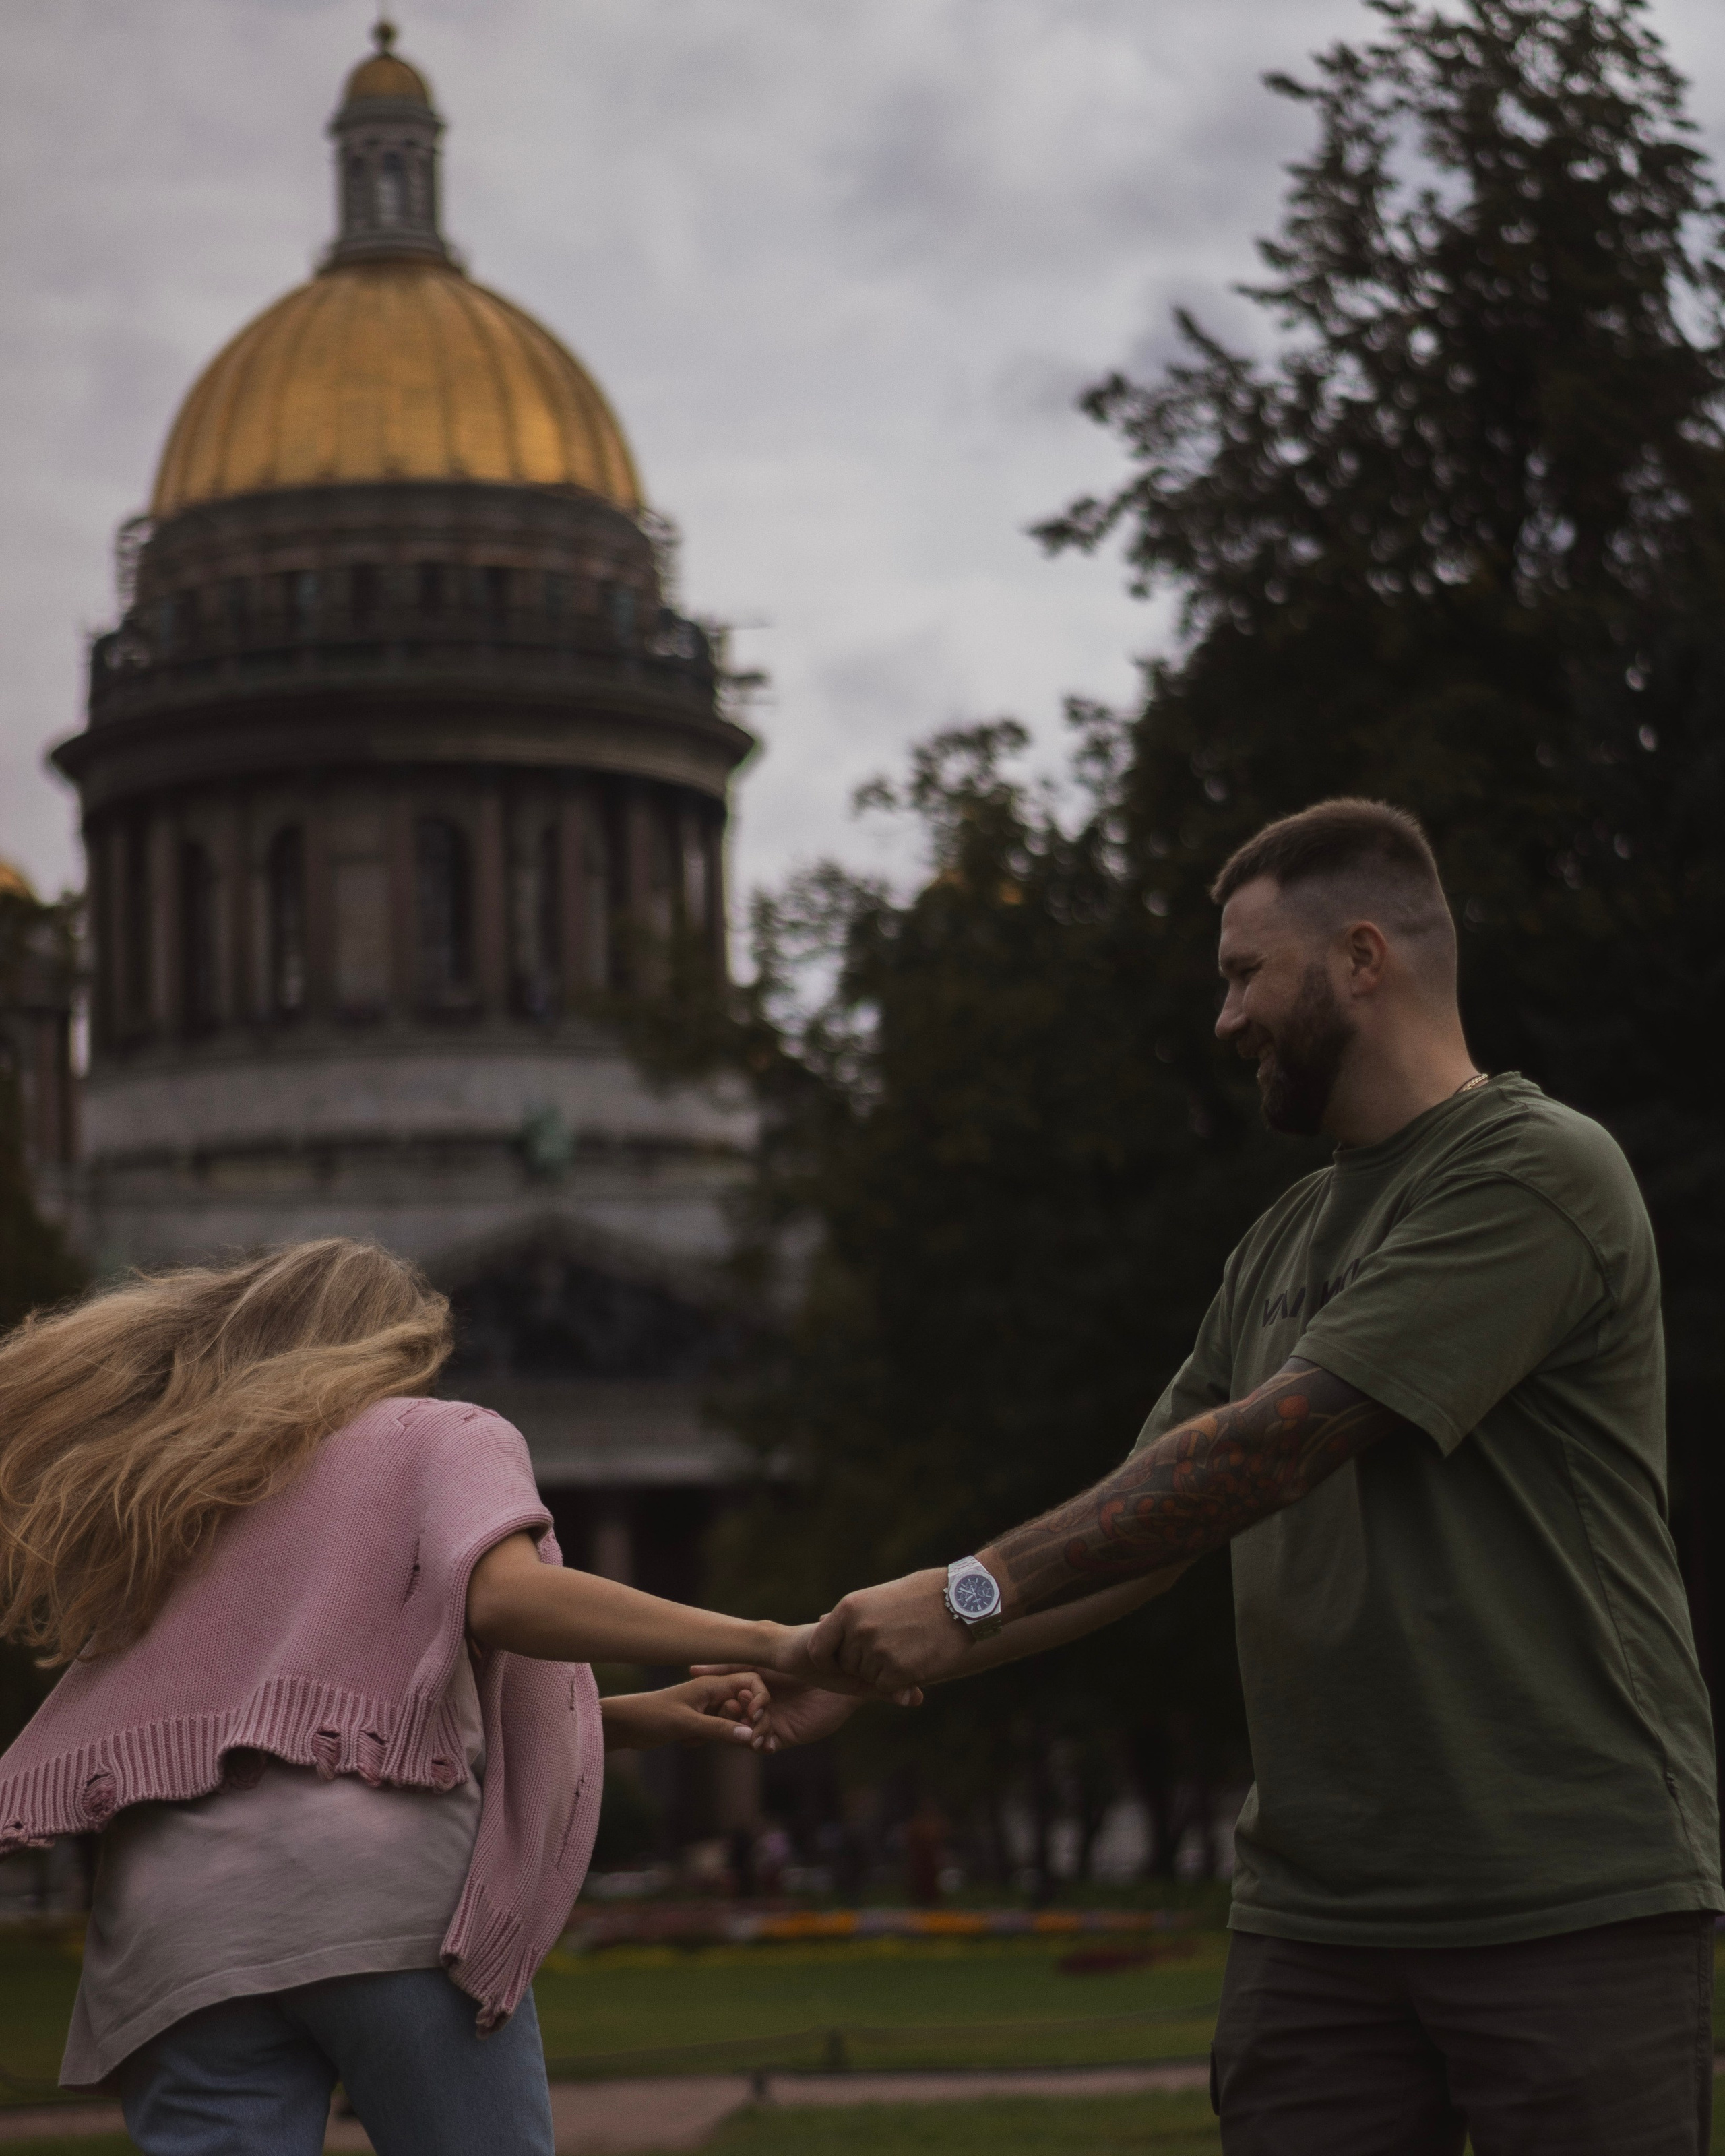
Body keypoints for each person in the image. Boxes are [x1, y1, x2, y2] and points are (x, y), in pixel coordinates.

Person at [801, 799, 1722, 2155]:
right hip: (1317, 1919)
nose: (1223, 1020)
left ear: (1361, 957)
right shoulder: (1278, 1240)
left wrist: (962, 1592)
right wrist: (863, 1665)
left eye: (1243, 974)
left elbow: (1269, 1446)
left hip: (1560, 1888)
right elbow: (1146, 1525)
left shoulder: (1532, 1172)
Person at [0, 1239, 874, 2156]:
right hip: (386, 1907)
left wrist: (640, 1719)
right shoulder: (438, 1434)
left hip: (170, 1933)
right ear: (398, 1342)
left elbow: (292, 1726)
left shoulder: (173, 1492)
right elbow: (506, 1600)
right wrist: (779, 1641)